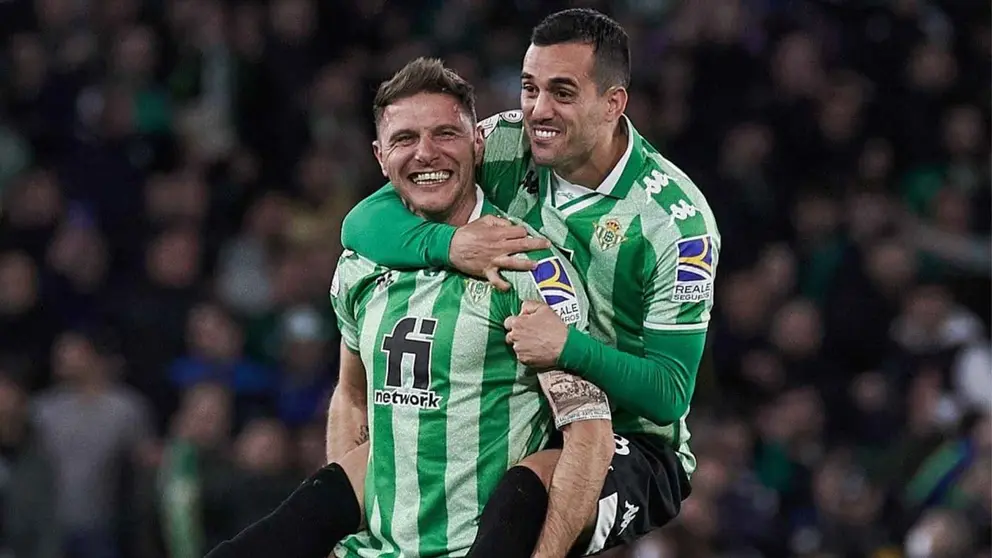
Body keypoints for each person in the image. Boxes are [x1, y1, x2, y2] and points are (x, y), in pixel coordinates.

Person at [340, 8, 720, 553]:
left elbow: (668, 394)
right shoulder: (503, 143)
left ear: (613, 103)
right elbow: (362, 222)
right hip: (525, 409)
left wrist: (569, 347)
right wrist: (452, 244)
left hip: (630, 439)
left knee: (520, 499)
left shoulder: (676, 225)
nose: (538, 111)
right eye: (529, 88)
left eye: (562, 93)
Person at [205, 57, 614, 558]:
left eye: (446, 133)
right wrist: (346, 534)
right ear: (380, 157)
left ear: (477, 143)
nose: (425, 153)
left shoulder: (531, 267)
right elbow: (352, 397)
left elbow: (589, 433)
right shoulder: (361, 264)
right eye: (404, 139)